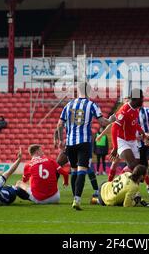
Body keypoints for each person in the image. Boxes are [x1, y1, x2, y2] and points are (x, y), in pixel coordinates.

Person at [54, 82, 113, 210]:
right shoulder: (91, 105)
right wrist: (111, 120)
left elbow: (59, 124)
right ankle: (77, 200)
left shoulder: (68, 105)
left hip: (70, 143)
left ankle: (74, 197)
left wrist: (60, 140)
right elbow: (102, 121)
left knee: (74, 170)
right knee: (82, 170)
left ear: (78, 90)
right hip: (84, 142)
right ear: (89, 91)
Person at [109, 89, 145, 175]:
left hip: (132, 141)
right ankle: (114, 182)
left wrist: (142, 132)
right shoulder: (124, 110)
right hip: (122, 140)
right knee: (134, 166)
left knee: (136, 168)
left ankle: (123, 178)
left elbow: (134, 123)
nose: (142, 100)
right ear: (136, 99)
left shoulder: (136, 109)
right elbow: (114, 128)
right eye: (141, 98)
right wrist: (115, 147)